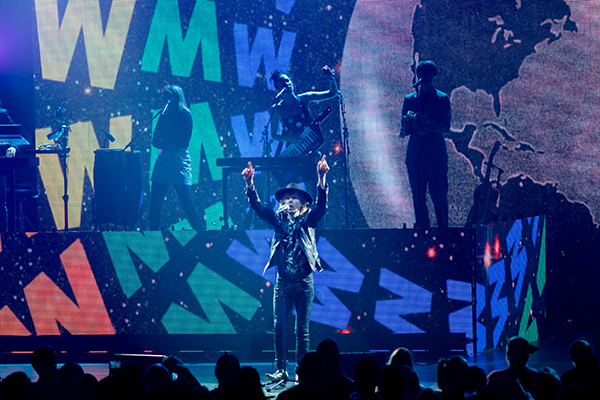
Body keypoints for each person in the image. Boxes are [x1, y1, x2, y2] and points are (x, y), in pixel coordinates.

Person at [241, 155, 330, 382]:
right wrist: (250, 185)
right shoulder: (278, 220)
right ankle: (281, 369)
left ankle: (302, 370)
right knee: (279, 327)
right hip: (283, 283)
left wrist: (322, 177)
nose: (289, 201)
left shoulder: (308, 219)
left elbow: (321, 209)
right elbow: (258, 208)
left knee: (302, 329)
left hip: (303, 283)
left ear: (303, 203)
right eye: (286, 198)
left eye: (294, 198)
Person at [399, 60, 451, 228]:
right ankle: (423, 235)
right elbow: (404, 128)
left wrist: (429, 123)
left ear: (433, 76)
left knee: (439, 196)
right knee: (418, 199)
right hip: (415, 156)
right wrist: (408, 125)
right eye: (421, 74)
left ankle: (444, 233)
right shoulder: (410, 99)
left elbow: (446, 127)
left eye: (428, 74)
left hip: (435, 156)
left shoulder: (442, 99)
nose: (424, 77)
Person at [150, 85, 204, 231]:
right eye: (163, 95)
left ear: (176, 97)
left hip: (180, 162)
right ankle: (153, 237)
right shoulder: (163, 115)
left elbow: (182, 141)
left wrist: (165, 141)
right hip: (163, 161)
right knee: (155, 204)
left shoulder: (185, 115)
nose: (164, 98)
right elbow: (155, 141)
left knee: (187, 204)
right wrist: (168, 144)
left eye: (167, 95)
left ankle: (202, 234)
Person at [269, 68, 339, 154]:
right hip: (294, 151)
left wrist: (331, 78)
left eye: (287, 81)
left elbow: (332, 93)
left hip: (312, 146)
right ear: (278, 89)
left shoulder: (305, 98)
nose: (287, 84)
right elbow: (274, 135)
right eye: (282, 83)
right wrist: (288, 138)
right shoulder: (276, 109)